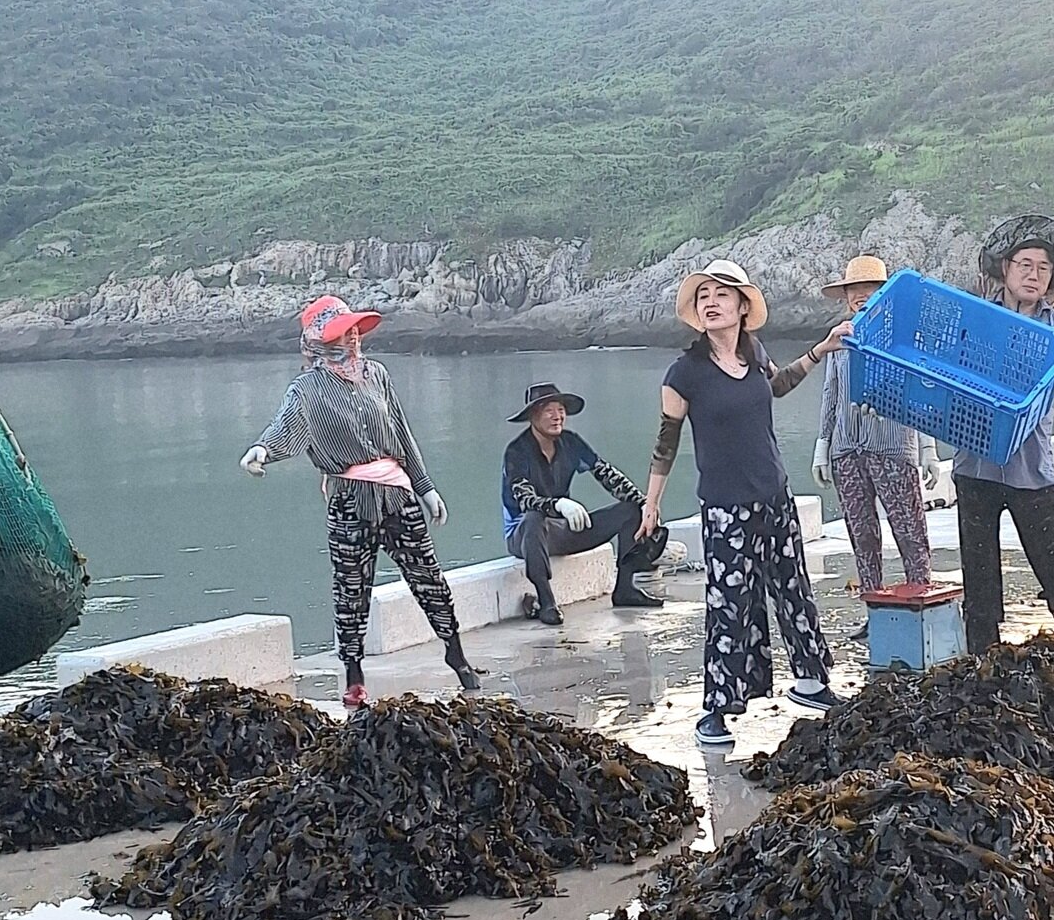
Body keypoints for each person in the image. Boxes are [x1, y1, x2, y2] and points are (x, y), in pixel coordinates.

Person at [240, 296, 480, 708]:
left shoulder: (378, 375)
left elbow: (402, 433)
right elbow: (286, 425)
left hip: (396, 493)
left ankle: (455, 653)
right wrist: (262, 450)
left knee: (428, 577)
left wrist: (425, 487)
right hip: (350, 500)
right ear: (318, 341)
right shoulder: (307, 388)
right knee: (351, 589)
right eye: (340, 333)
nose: (351, 339)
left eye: (353, 331)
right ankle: (353, 672)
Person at [638, 258, 839, 748]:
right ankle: (716, 709)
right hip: (726, 507)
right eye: (703, 296)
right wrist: (652, 503)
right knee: (730, 607)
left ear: (742, 306)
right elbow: (666, 442)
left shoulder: (754, 354)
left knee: (792, 589)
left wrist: (822, 349)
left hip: (774, 495)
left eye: (722, 294)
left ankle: (812, 681)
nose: (711, 302)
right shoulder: (684, 373)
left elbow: (776, 387)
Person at [954, 216, 1054, 654]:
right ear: (1005, 269)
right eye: (1025, 264)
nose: (1033, 275)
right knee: (979, 572)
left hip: (1031, 466)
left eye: (1043, 268)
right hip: (975, 464)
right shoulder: (976, 317)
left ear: (1052, 278)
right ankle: (983, 660)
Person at [811, 255, 940, 622]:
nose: (861, 296)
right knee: (862, 535)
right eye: (855, 290)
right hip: (846, 449)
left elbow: (923, 391)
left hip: (894, 446)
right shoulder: (839, 337)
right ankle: (875, 616)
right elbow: (831, 393)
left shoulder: (904, 337)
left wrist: (928, 449)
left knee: (910, 530)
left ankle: (922, 608)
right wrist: (823, 446)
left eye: (870, 289)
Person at [502, 382, 669, 625]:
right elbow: (524, 498)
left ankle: (625, 588)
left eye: (560, 409)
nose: (557, 416)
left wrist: (644, 504)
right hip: (525, 535)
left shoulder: (571, 442)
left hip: (565, 528)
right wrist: (558, 505)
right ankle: (546, 600)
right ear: (533, 416)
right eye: (548, 410)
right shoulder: (516, 452)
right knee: (533, 518)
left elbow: (606, 474)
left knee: (631, 510)